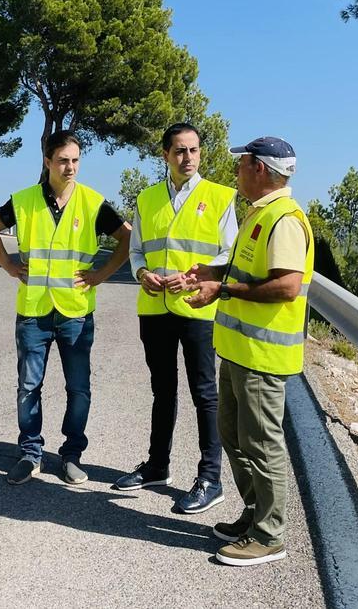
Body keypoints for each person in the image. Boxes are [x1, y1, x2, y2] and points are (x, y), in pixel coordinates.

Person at [183, 136, 313, 566]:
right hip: (240, 351)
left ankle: (270, 535)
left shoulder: (285, 220)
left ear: (260, 169)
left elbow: (287, 286)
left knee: (261, 443)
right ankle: (256, 515)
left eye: (241, 164)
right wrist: (212, 271)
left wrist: (221, 288)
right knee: (234, 435)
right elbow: (248, 271)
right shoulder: (261, 214)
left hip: (263, 359)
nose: (236, 170)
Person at [0, 130, 131, 486]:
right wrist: (11, 267)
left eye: (76, 160)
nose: (71, 167)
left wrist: (101, 275)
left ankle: (71, 455)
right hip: (33, 311)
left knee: (79, 388)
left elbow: (127, 237)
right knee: (28, 386)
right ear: (47, 162)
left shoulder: (93, 202)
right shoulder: (25, 200)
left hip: (75, 312)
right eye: (63, 160)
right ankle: (30, 454)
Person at [113, 123, 238, 516]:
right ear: (165, 154)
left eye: (194, 150)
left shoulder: (220, 197)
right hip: (154, 308)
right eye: (180, 151)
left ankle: (210, 478)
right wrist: (141, 274)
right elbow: (137, 251)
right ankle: (157, 466)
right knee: (162, 390)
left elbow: (228, 252)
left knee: (205, 393)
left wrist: (197, 274)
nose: (188, 158)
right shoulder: (147, 198)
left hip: (197, 309)